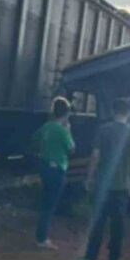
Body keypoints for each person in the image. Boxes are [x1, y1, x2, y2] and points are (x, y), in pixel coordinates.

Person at [83, 98, 130, 260]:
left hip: (102, 184)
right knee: (118, 226)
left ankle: (90, 257)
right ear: (129, 113)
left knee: (98, 223)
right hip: (122, 186)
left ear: (113, 111)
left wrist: (89, 177)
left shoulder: (103, 130)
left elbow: (95, 156)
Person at [32, 97, 75, 250]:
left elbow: (34, 142)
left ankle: (41, 235)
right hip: (58, 169)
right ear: (66, 113)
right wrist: (68, 131)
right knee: (50, 205)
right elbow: (71, 149)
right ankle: (42, 238)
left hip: (44, 167)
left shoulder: (46, 127)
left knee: (46, 201)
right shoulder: (62, 131)